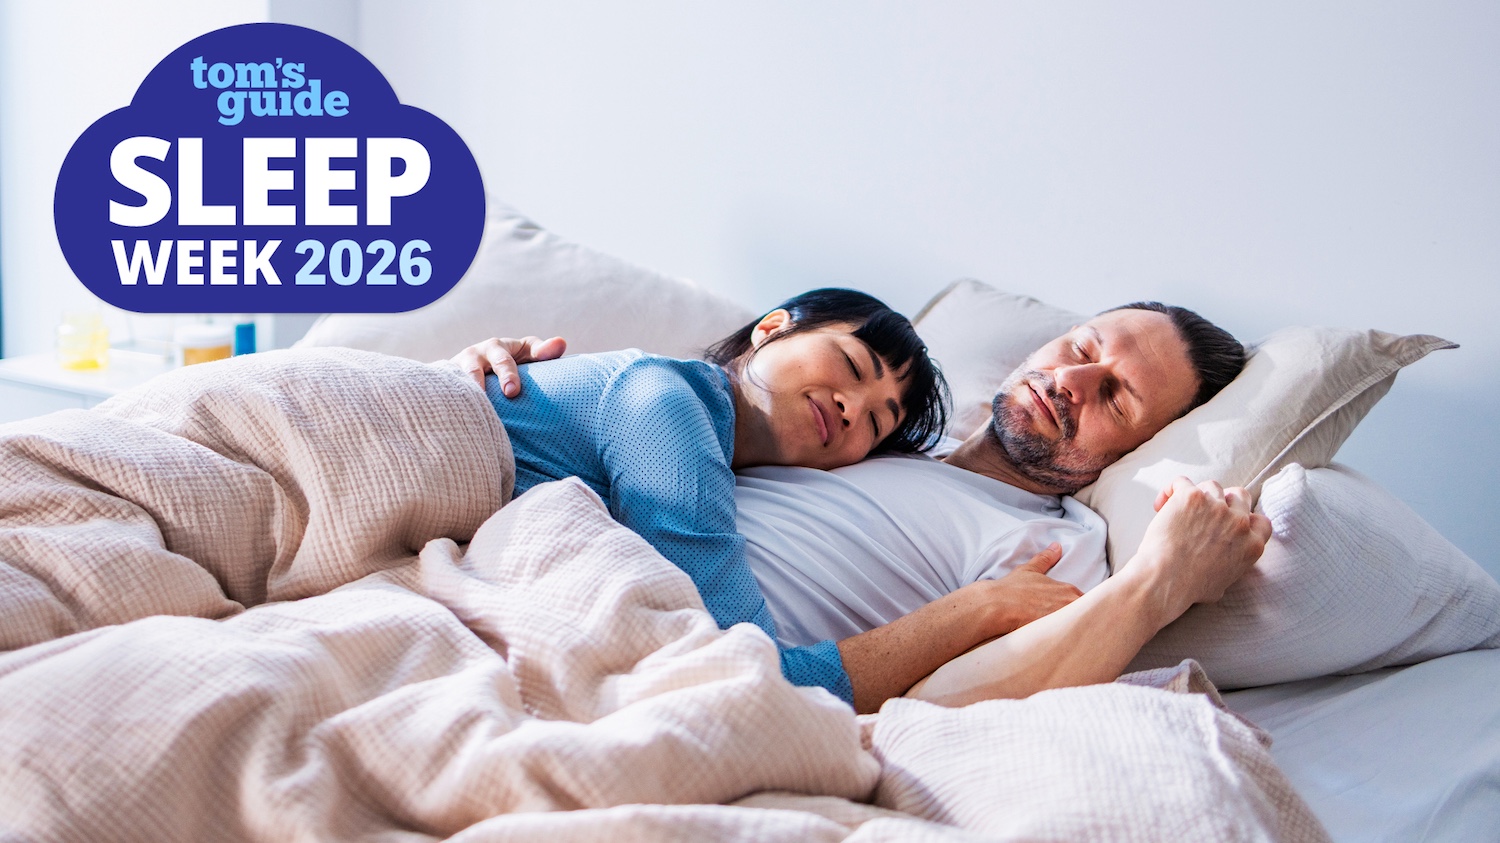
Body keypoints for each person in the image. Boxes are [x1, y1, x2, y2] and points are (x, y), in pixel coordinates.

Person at [458, 302, 1272, 713]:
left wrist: (1159, 580)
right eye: (1083, 349)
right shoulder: (853, 439)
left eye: (1117, 397)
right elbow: (638, 418)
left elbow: (963, 700)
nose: (1072, 382)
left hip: (674, 652)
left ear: (1137, 450)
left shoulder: (1053, 542)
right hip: (518, 559)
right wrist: (487, 388)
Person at [477, 287, 947, 707]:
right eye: (852, 365)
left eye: (875, 424)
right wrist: (981, 611)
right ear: (770, 329)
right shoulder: (666, 401)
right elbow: (749, 672)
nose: (852, 408)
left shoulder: (709, 454)